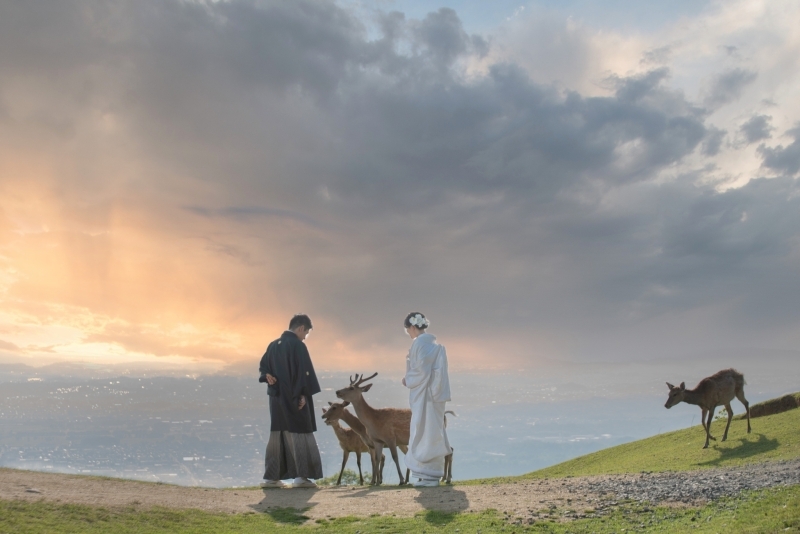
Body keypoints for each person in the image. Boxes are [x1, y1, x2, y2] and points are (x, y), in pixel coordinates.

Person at [258, 314, 323, 488]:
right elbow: (303, 373)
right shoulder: (298, 346)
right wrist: (302, 395)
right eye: (306, 333)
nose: (305, 336)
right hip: (294, 398)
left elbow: (263, 366)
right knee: (300, 433)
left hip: (277, 399)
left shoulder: (273, 345)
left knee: (277, 435)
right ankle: (301, 477)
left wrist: (267, 376)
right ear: (301, 328)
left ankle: (272, 478)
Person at [401, 312, 452, 487]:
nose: (408, 332)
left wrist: (407, 379)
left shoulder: (419, 344)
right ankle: (429, 473)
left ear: (413, 327)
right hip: (435, 394)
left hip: (424, 394)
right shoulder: (433, 343)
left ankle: (428, 475)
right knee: (432, 430)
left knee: (423, 430)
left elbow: (421, 370)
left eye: (407, 329)